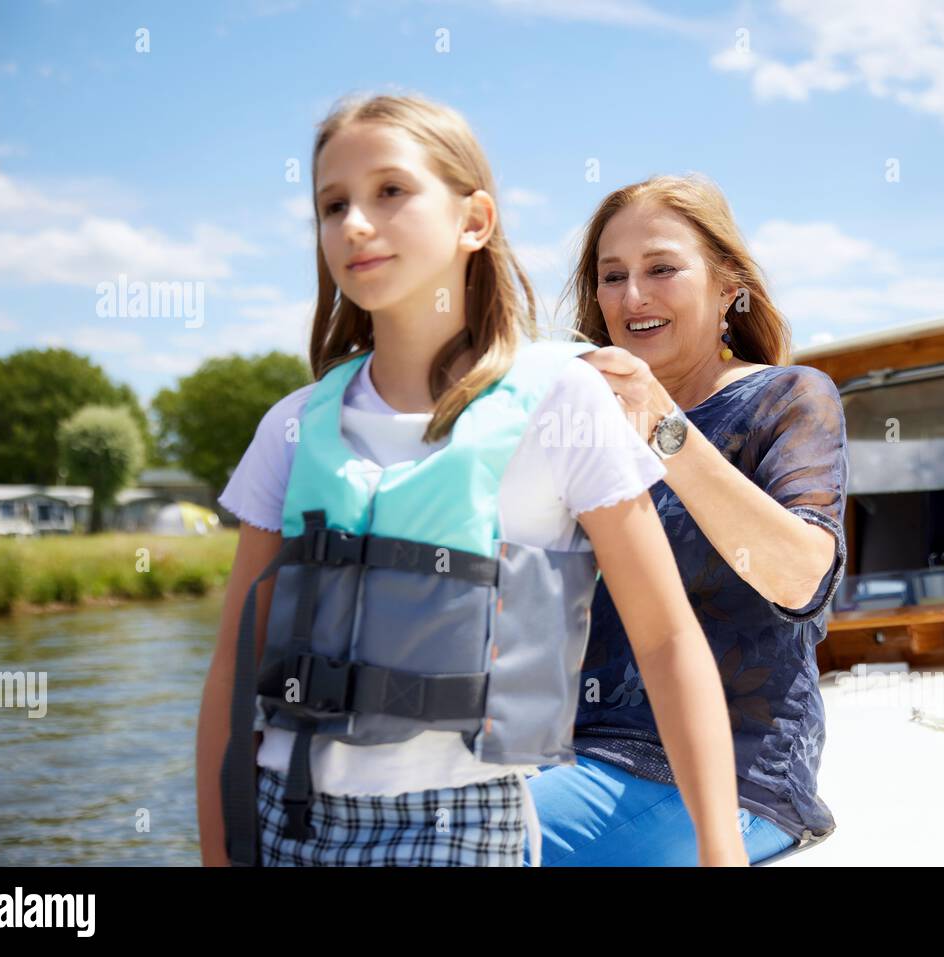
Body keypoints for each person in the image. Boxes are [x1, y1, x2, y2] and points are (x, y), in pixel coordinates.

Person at [194, 94, 747, 867]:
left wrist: (720, 851)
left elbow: (665, 640)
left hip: (464, 827)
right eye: (332, 204)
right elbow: (232, 669)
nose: (355, 223)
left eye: (390, 191)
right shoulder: (292, 426)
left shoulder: (563, 401)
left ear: (474, 220)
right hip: (288, 818)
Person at [524, 174, 848, 866]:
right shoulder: (579, 424)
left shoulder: (789, 397)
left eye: (661, 268)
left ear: (729, 282)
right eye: (613, 276)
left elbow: (799, 579)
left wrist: (659, 420)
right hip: (572, 756)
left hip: (733, 781)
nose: (632, 296)